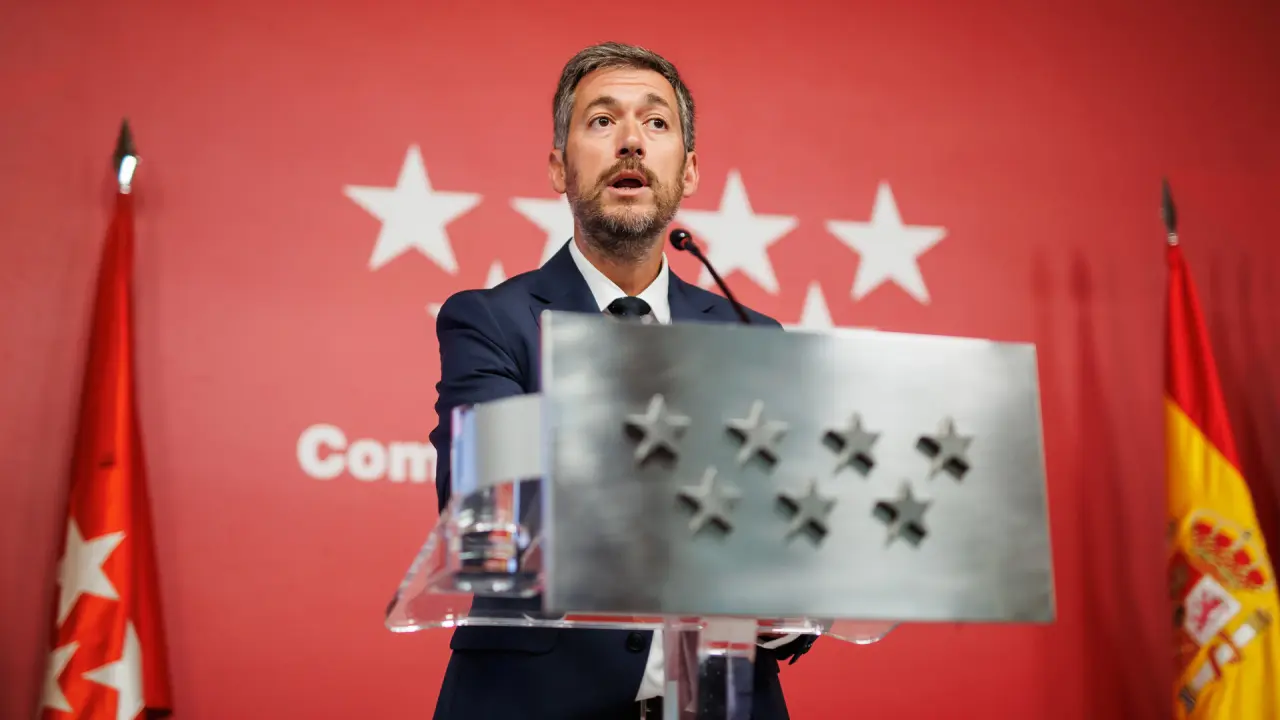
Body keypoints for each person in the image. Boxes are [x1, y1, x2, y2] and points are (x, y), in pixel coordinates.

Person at [428, 41, 815, 720]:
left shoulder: (751, 338)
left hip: (717, 702)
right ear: (559, 166)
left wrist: (791, 596)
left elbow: (795, 532)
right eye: (602, 121)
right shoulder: (492, 321)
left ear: (688, 171)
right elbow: (494, 514)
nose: (631, 140)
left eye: (656, 123)